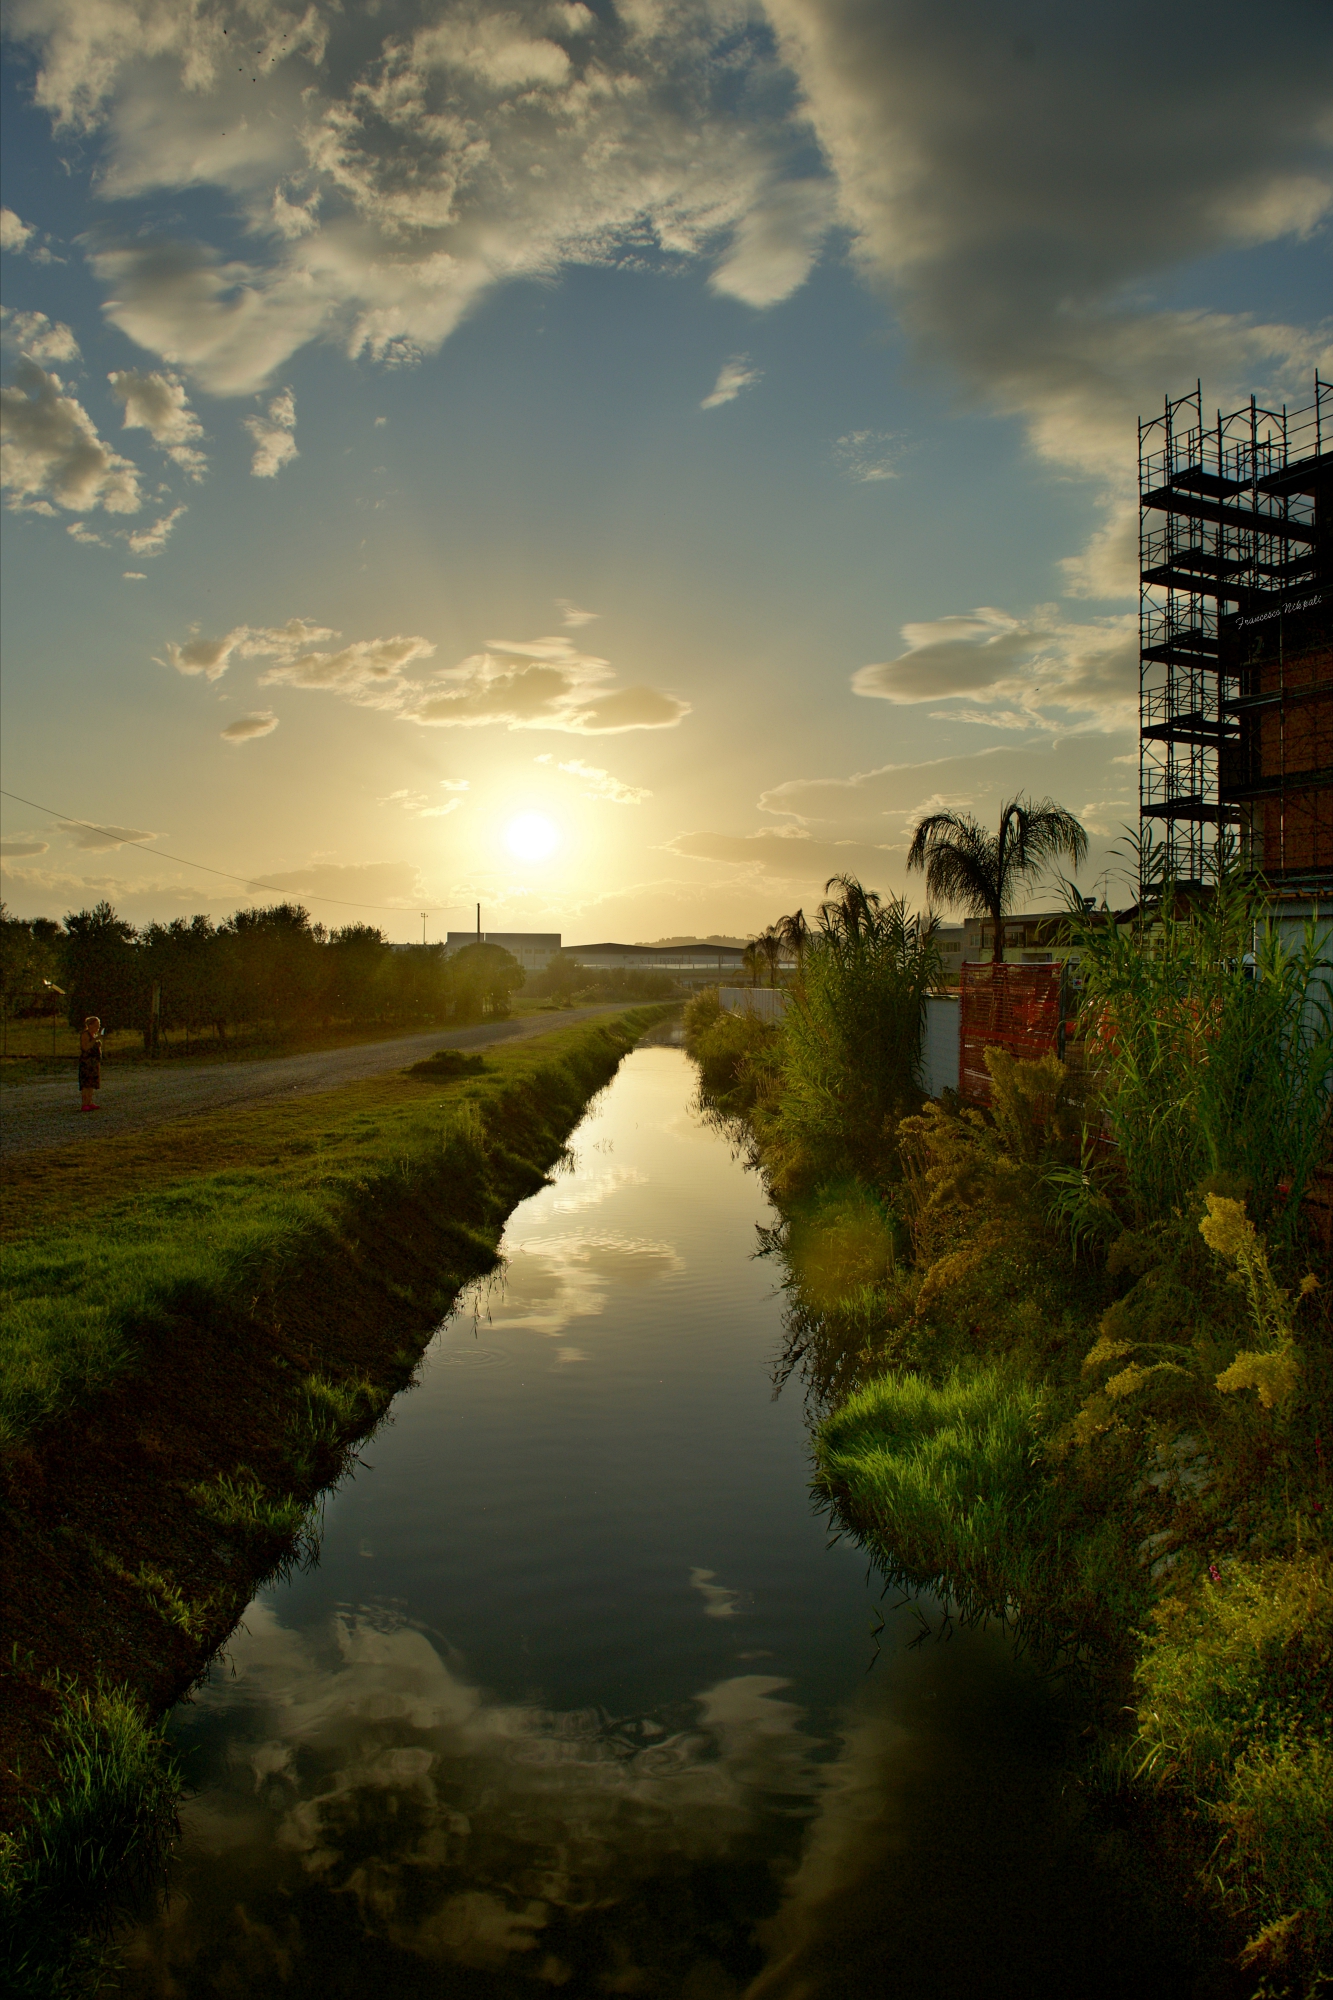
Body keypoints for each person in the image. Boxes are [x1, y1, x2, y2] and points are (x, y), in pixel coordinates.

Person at [79, 1015, 103, 1111]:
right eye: (96, 1025)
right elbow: (85, 1047)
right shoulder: (85, 1034)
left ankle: (89, 1101)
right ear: (90, 1025)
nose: (97, 1028)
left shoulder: (94, 1035)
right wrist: (94, 1041)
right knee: (86, 1083)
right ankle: (85, 1103)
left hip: (94, 1062)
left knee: (92, 1083)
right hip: (86, 1062)